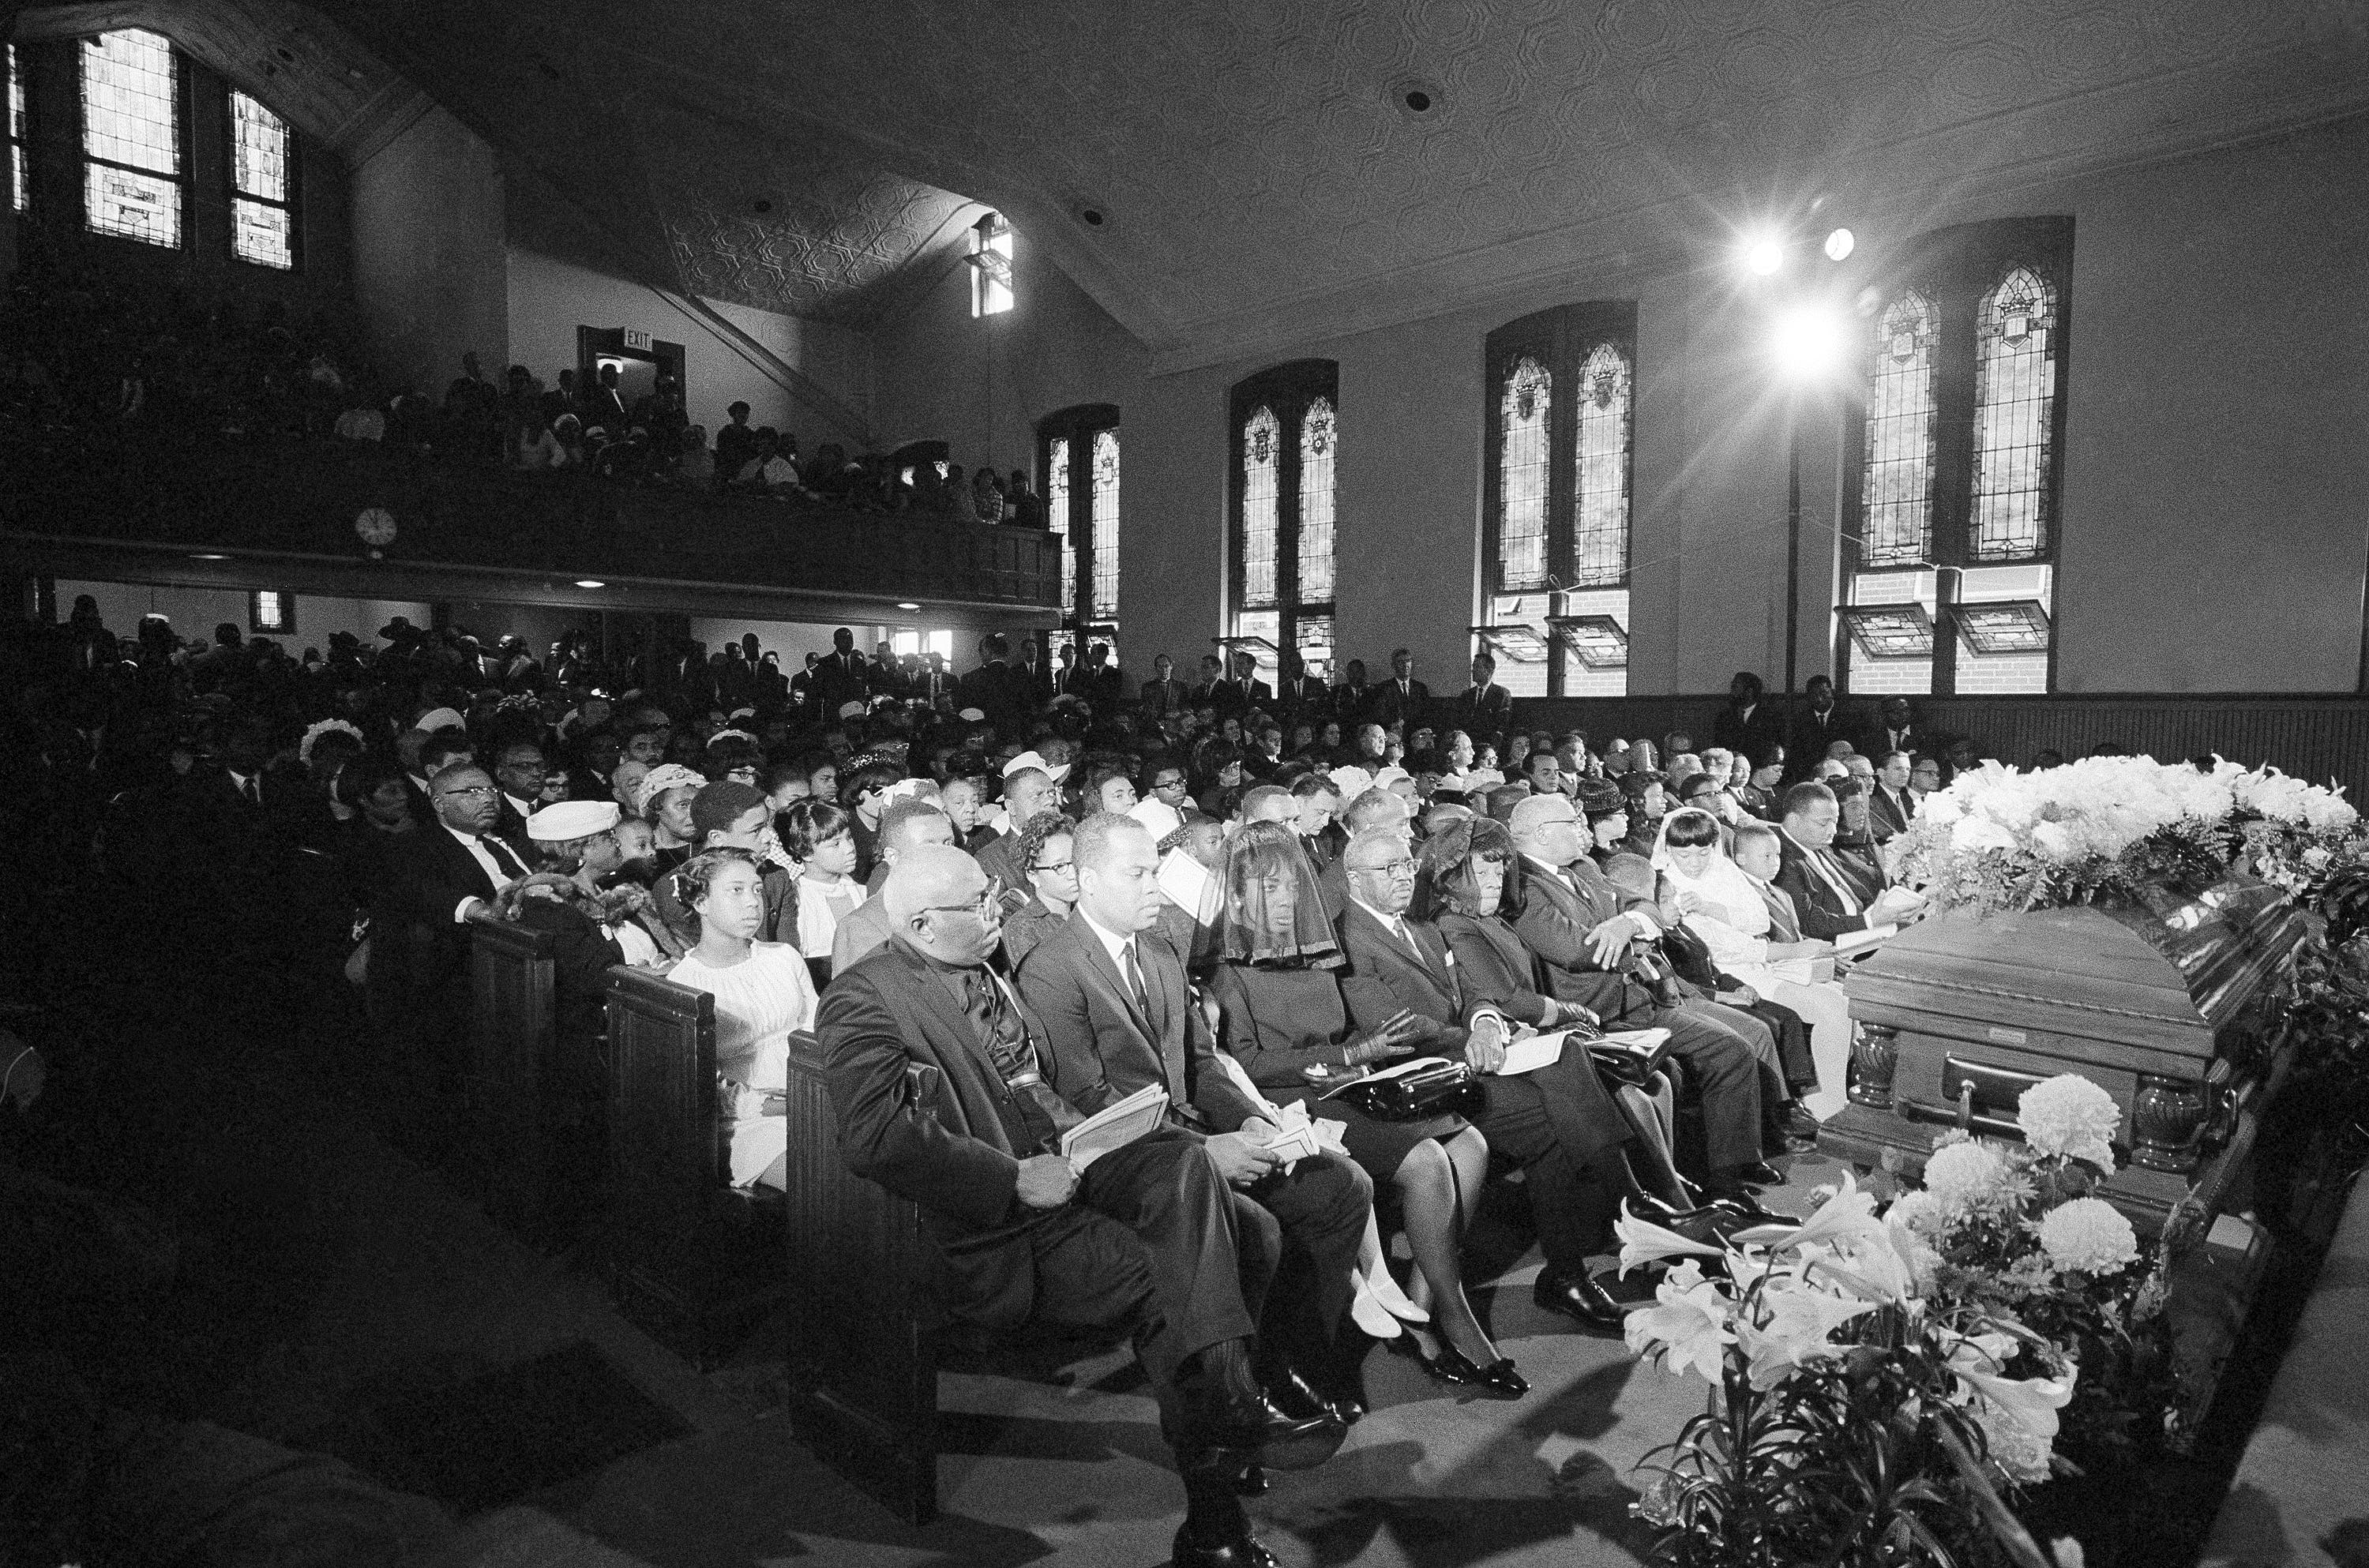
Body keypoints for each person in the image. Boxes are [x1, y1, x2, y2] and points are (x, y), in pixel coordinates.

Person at [817, 846, 1345, 1567]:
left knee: (1193, 1165)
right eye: (976, 905)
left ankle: (1226, 1396)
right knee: (1198, 1263)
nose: (995, 912)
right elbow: (876, 1138)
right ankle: (1214, 1504)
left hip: (1068, 1167)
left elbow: (1026, 1085)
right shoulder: (863, 996)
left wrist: (1096, 1132)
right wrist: (1010, 1179)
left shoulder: (979, 968)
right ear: (920, 924)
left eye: (992, 897)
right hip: (1000, 1223)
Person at [1019, 813, 1376, 1412]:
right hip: (1125, 1160)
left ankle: (1294, 1360)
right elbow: (1092, 1102)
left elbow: (1202, 1064)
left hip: (1188, 1133)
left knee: (1342, 1187)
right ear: (1085, 879)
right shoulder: (1052, 967)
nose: (1155, 888)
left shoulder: (1159, 951)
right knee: (1255, 1230)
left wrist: (1248, 1121)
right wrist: (1206, 1151)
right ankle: (1235, 1390)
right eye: (1137, 875)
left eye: (1155, 872)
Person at [1205, 823, 1530, 1398]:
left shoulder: (1316, 949)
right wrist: (1350, 1054)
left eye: (1290, 888)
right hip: (1286, 1099)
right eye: (1267, 889)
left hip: (1346, 1085)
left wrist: (1367, 1054)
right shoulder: (1229, 969)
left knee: (1471, 1145)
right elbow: (1249, 1065)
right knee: (1429, 1158)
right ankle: (1455, 1321)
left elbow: (1346, 1028)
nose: (1284, 901)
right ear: (1235, 897)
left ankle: (1423, 1305)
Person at [1336, 827, 1635, 1339]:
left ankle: (1574, 1265)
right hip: (1412, 1081)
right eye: (1389, 869)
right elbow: (1395, 1027)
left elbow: (1475, 994)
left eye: (1408, 865)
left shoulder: (1420, 927)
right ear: (1353, 878)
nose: (1405, 876)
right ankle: (1611, 1221)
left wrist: (1486, 1025)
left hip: (1462, 1063)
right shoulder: (1351, 939)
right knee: (1551, 1115)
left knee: (1556, 1104)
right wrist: (1472, 1036)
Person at [1503, 793, 1778, 1204]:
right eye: (1573, 821)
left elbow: (1643, 902)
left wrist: (1626, 921)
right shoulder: (1521, 886)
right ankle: (1720, 1178)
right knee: (1728, 1051)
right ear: (1543, 834)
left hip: (1636, 999)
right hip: (1598, 1015)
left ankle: (1729, 1168)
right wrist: (1628, 934)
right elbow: (1579, 950)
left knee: (1733, 1048)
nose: (1583, 828)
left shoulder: (1583, 867)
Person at [667, 850, 819, 1191]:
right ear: (701, 902)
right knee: (822, 1174)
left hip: (811, 1094)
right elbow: (703, 1088)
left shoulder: (783, 957)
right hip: (746, 1122)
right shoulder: (684, 984)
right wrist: (784, 1104)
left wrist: (820, 1092)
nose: (753, 902)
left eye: (756, 890)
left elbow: (816, 1028)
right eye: (736, 891)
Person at [831, 800, 956, 972]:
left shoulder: (960, 907)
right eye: (928, 845)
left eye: (948, 843)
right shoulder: (864, 926)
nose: (944, 855)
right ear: (893, 857)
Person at [780, 797, 866, 985]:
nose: (850, 848)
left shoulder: (860, 889)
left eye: (849, 837)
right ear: (806, 853)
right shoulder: (797, 898)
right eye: (835, 844)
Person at [999, 812, 1079, 972]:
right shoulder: (1022, 929)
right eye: (1059, 866)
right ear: (1032, 874)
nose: (1073, 874)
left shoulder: (1088, 911)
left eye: (1075, 861)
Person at [1446, 652, 1512, 758]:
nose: (1473, 670)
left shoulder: (1502, 694)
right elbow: (1459, 722)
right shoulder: (1467, 695)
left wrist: (1491, 751)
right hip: (1467, 749)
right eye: (1473, 666)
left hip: (1489, 750)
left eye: (1477, 666)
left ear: (1489, 671)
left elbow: (1502, 726)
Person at [1785, 676, 1849, 782]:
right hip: (1810, 776)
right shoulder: (1800, 719)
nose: (1819, 699)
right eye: (1814, 695)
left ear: (1832, 692)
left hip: (1840, 774)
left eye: (1824, 693)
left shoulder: (1848, 717)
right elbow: (1796, 754)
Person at [1870, 750, 1917, 842]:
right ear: (1881, 773)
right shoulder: (1873, 802)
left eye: (1908, 769)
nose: (1905, 774)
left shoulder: (1906, 799)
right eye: (1899, 769)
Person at [1142, 654, 1188, 718]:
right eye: (1160, 667)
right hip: (1155, 724)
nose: (1164, 670)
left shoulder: (1180, 686)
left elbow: (1185, 708)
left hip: (1175, 723)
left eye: (1166, 666)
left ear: (1171, 666)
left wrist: (1178, 714)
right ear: (1156, 669)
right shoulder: (1147, 687)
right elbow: (1146, 709)